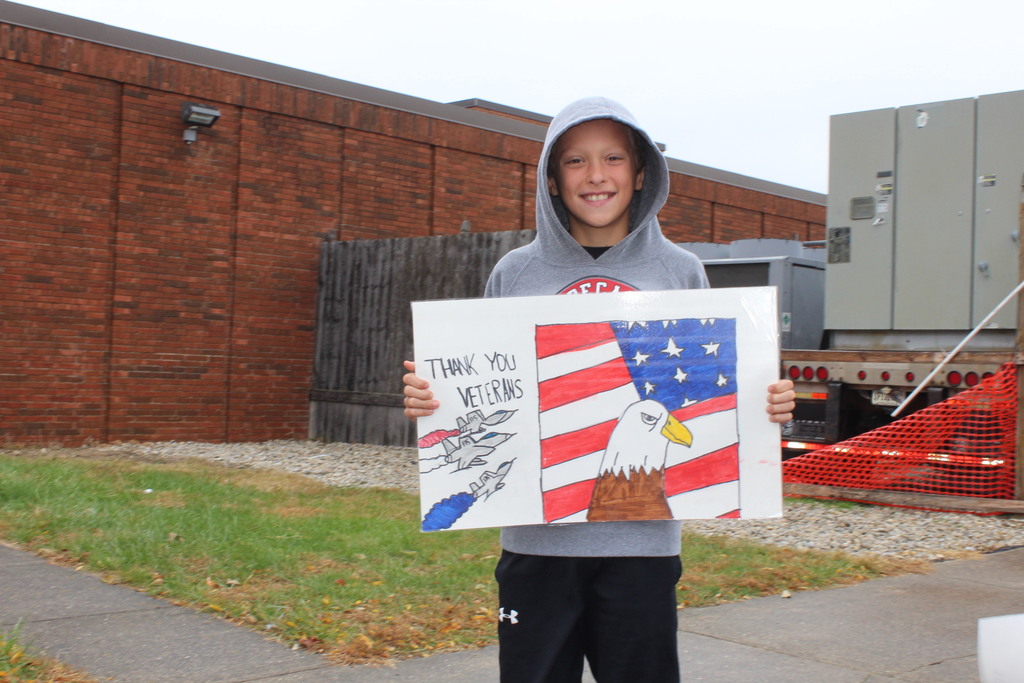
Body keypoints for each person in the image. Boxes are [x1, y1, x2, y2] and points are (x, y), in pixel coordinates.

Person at [403, 96, 796, 682]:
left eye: (613, 157)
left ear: (640, 175)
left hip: (642, 550)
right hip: (537, 546)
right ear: (552, 180)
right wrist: (432, 401)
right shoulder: (515, 272)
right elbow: (483, 387)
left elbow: (720, 392)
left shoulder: (681, 270)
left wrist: (769, 406)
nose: (595, 175)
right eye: (575, 161)